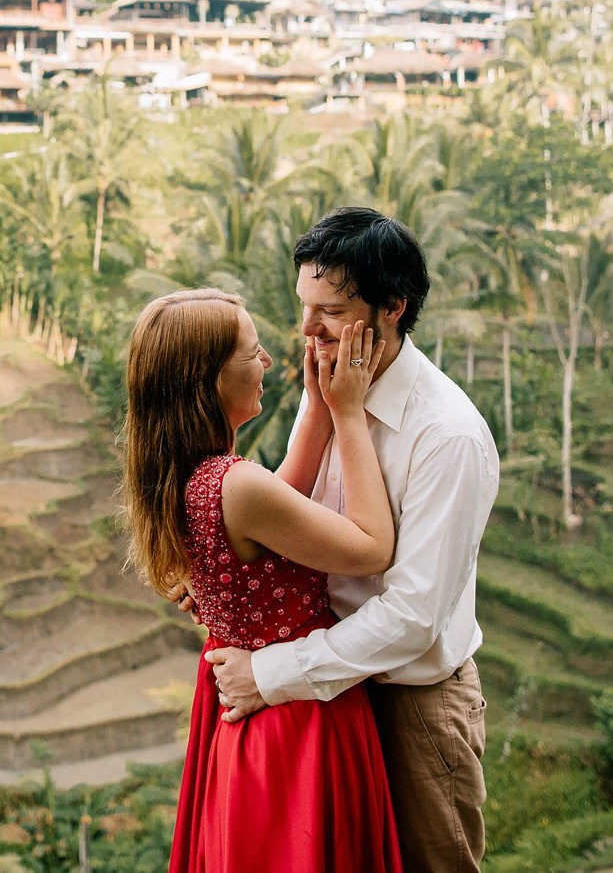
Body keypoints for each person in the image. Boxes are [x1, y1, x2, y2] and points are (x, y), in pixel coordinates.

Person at [204, 207, 500, 873]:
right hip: (324, 696)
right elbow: (293, 519)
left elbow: (413, 618)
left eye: (331, 311)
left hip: (409, 707)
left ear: (393, 307)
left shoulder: (445, 436)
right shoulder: (327, 384)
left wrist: (270, 676)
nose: (306, 330)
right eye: (304, 307)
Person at [122, 287, 402, 873]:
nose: (269, 363)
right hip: (296, 720)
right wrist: (348, 413)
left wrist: (319, 402)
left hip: (247, 721)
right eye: (253, 354)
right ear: (210, 378)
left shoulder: (190, 476)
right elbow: (372, 548)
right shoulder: (237, 486)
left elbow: (286, 500)